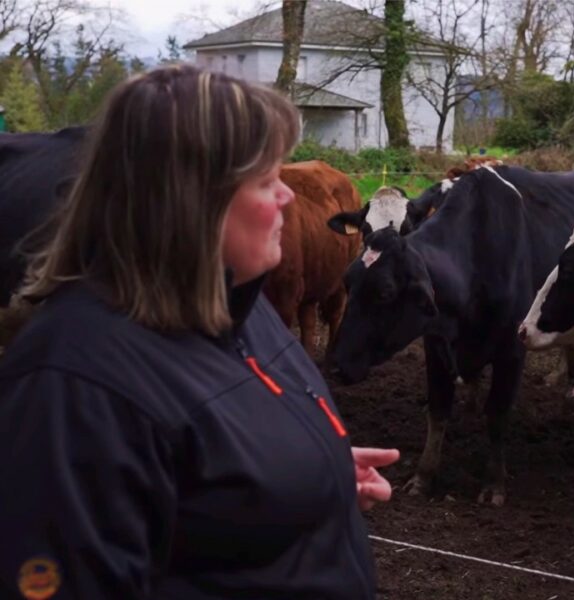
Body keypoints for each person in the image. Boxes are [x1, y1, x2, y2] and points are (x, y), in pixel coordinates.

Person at [0, 64, 399, 599]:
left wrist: (312, 468)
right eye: (265, 181)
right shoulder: (76, 386)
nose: (288, 198)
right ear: (189, 201)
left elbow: (212, 455)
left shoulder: (242, 307)